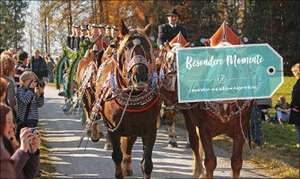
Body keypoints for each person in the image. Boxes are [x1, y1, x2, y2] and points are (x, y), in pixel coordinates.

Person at [0, 103, 40, 179]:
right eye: (8, 121)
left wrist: (33, 151)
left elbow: (29, 175)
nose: (13, 126)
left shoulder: (9, 144)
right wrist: (22, 151)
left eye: (13, 121)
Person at [16, 71, 44, 136]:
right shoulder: (20, 90)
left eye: (35, 81)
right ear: (25, 80)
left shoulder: (31, 92)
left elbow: (40, 104)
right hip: (25, 120)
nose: (35, 83)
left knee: (32, 140)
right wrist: (30, 90)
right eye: (33, 81)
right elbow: (26, 100)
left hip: (33, 120)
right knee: (27, 139)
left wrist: (41, 94)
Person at [289, 63, 300, 148]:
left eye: (293, 71)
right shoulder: (298, 81)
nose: (293, 73)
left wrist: (297, 107)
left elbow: (297, 95)